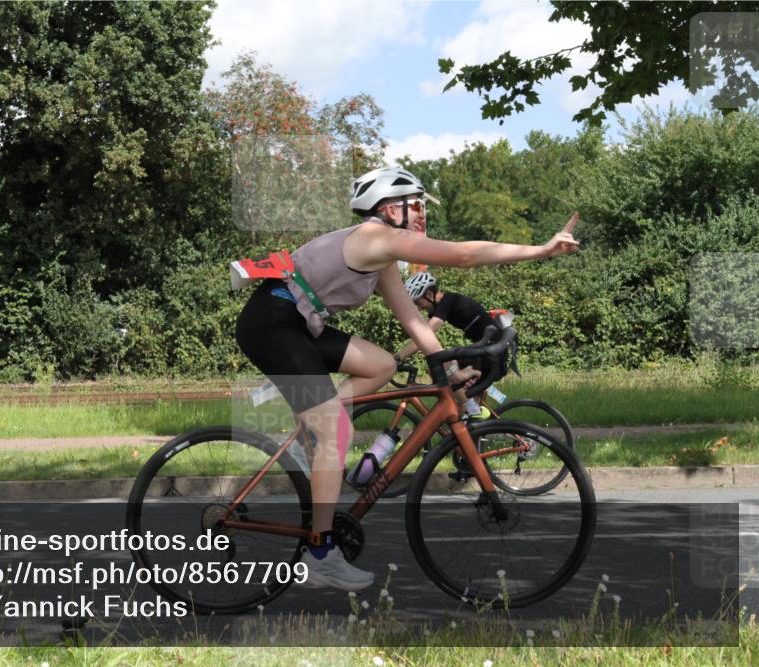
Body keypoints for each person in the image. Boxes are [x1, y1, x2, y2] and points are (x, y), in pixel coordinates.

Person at [234, 166, 579, 591]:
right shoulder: (374, 236)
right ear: (388, 208)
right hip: (273, 323)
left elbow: (414, 323)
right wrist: (540, 250)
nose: (422, 214)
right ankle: (319, 554)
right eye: (415, 204)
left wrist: (448, 372)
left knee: (382, 365)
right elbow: (465, 255)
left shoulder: (384, 258)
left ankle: (316, 425)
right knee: (334, 430)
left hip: (301, 325)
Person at [396, 272, 501, 418]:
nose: (419, 308)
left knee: (443, 366)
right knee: (444, 386)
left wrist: (397, 357)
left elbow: (423, 337)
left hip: (492, 353)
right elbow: (425, 338)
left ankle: (472, 409)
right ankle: (468, 417)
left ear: (429, 294)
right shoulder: (442, 306)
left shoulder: (448, 301)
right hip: (484, 350)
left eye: (419, 303)